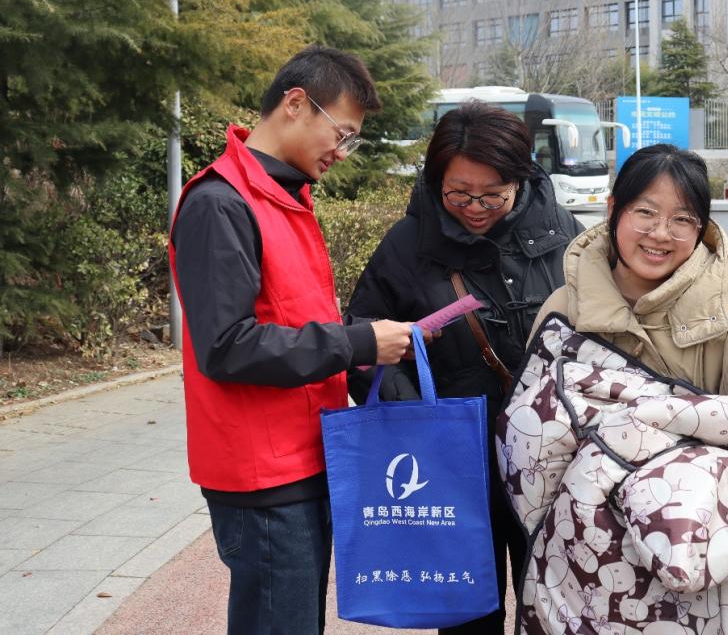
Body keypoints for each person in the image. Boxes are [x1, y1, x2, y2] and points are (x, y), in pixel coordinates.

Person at [169, 45, 417, 635]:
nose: (342, 152)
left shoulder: (284, 198)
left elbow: (296, 321)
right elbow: (227, 345)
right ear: (297, 104)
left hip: (300, 457)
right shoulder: (220, 204)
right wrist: (358, 343)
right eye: (343, 133)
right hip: (263, 474)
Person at [345, 101, 584, 633]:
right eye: (458, 194)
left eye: (493, 194)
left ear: (521, 179)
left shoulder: (564, 234)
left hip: (550, 463)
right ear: (436, 182)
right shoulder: (407, 246)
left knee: (552, 608)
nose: (475, 208)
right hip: (453, 468)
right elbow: (362, 344)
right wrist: (419, 420)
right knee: (467, 613)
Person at [533, 143, 728, 397]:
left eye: (682, 219)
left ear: (700, 228)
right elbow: (534, 416)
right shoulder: (564, 309)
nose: (660, 234)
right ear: (613, 210)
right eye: (645, 212)